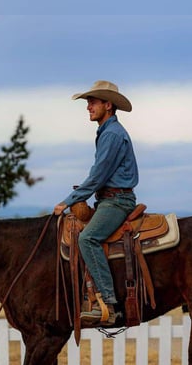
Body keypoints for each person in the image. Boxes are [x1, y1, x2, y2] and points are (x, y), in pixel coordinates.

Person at [53, 80, 139, 327]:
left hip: (117, 201)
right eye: (88, 102)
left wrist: (68, 201)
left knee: (87, 239)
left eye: (92, 102)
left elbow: (98, 175)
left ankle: (108, 305)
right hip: (108, 199)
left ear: (108, 105)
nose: (88, 107)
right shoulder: (107, 132)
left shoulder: (112, 134)